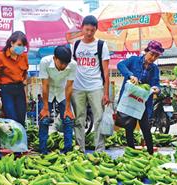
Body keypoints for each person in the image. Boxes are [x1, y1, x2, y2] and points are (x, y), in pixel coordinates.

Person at [71, 15, 110, 152]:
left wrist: (106, 93)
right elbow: (70, 68)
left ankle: (99, 150)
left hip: (96, 87)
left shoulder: (101, 45)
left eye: (92, 30)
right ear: (82, 28)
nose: (89, 33)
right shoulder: (75, 45)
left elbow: (106, 71)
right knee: (78, 119)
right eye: (86, 30)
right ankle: (79, 149)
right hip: (77, 87)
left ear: (96, 30)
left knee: (99, 118)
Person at [117, 40, 163, 154]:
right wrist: (130, 75)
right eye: (152, 54)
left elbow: (156, 83)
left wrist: (157, 88)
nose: (153, 58)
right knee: (129, 126)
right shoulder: (133, 60)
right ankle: (131, 152)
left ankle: (150, 153)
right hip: (130, 99)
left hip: (143, 102)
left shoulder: (154, 69)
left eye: (156, 56)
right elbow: (120, 65)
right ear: (146, 51)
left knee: (146, 127)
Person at [38, 46, 76, 154]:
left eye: (66, 64)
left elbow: (69, 86)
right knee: (44, 120)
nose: (64, 66)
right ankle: (43, 150)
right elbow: (45, 85)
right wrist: (45, 108)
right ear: (55, 58)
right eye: (61, 63)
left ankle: (67, 150)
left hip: (62, 92)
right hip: (48, 92)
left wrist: (68, 108)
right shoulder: (44, 62)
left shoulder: (73, 65)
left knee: (68, 120)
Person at [0, 31, 29, 126]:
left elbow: (25, 76)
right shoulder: (0, 56)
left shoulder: (24, 56)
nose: (21, 48)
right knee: (11, 119)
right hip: (6, 90)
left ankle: (20, 140)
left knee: (21, 119)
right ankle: (10, 140)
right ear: (11, 43)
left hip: (20, 89)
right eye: (19, 44)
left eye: (23, 45)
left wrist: (26, 95)